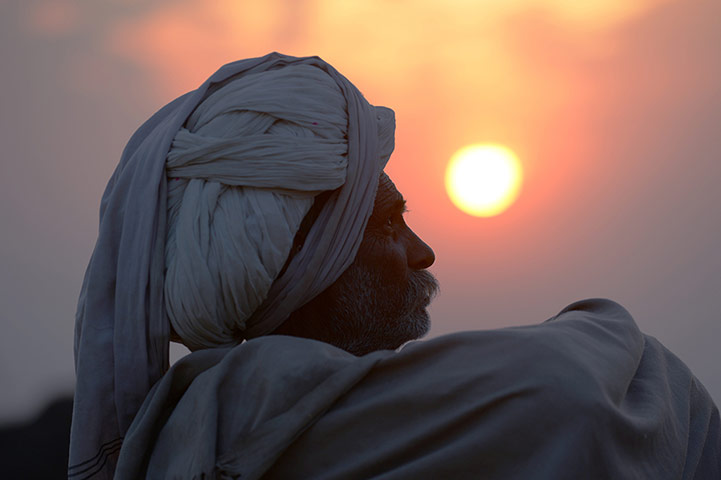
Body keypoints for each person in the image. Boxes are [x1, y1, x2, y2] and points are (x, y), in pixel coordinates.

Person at [69, 53, 720, 479]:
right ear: (302, 261)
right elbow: (569, 392)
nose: (421, 252)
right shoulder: (255, 401)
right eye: (384, 224)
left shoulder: (189, 434)